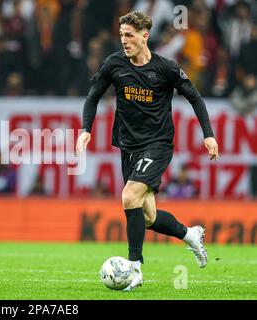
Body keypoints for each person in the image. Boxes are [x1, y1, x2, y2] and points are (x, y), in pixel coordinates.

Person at [76, 11, 219, 292]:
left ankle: (135, 269)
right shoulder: (114, 64)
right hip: (128, 146)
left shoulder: (165, 68)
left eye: (129, 35)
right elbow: (93, 95)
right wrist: (85, 129)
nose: (124, 41)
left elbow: (195, 97)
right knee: (147, 217)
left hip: (158, 145)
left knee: (129, 197)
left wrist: (209, 135)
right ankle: (190, 234)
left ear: (145, 36)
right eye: (121, 36)